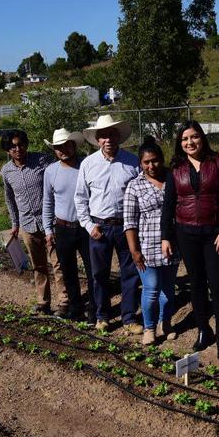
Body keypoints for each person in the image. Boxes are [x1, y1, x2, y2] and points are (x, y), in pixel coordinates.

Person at [161, 121, 219, 362]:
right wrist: (166, 236)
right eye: (185, 139)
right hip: (186, 233)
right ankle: (204, 328)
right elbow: (169, 204)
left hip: (215, 234)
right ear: (179, 143)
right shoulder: (176, 168)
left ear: (202, 138)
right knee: (196, 284)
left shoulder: (218, 162)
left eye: (194, 137)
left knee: (217, 285)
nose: (190, 142)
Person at [74, 115, 141, 333]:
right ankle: (103, 316)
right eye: (103, 135)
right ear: (98, 139)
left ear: (118, 136)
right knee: (99, 274)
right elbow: (80, 199)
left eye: (111, 134)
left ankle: (129, 317)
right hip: (99, 227)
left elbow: (141, 194)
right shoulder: (88, 164)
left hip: (126, 226)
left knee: (130, 273)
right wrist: (88, 225)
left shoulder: (132, 162)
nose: (108, 139)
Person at [0, 129, 68, 315]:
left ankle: (64, 301)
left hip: (50, 222)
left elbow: (59, 181)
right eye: (12, 146)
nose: (18, 149)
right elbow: (10, 199)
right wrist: (15, 224)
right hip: (27, 225)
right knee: (38, 265)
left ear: (26, 144)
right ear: (7, 150)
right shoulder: (6, 171)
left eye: (20, 144)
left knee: (58, 263)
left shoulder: (43, 160)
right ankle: (43, 301)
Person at [124, 137, 180, 345]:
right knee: (151, 288)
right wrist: (134, 251)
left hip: (172, 244)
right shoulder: (134, 186)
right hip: (147, 246)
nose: (151, 166)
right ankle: (149, 327)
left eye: (155, 161)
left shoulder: (172, 179)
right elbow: (129, 222)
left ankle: (165, 322)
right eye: (146, 162)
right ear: (140, 164)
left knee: (168, 288)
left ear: (161, 159)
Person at [42, 127, 97, 323]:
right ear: (54, 150)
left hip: (85, 227)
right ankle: (76, 308)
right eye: (58, 147)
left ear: (73, 145)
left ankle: (95, 310)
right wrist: (48, 230)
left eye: (66, 145)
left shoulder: (86, 166)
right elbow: (47, 202)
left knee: (93, 271)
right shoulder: (50, 171)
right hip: (62, 228)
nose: (63, 150)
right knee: (68, 272)